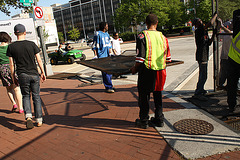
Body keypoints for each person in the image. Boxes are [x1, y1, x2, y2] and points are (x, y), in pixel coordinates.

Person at [131, 14, 171, 129]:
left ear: (146, 23)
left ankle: (144, 120)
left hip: (147, 70)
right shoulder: (163, 37)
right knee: (158, 95)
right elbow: (168, 58)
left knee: (144, 96)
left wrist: (135, 68)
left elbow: (140, 57)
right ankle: (159, 119)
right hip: (161, 71)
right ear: (157, 23)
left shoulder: (142, 36)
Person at [7, 24, 46, 129]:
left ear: (15, 34)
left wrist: (13, 76)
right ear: (25, 32)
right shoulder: (32, 44)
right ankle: (39, 120)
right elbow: (38, 60)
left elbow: (11, 64)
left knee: (25, 96)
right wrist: (43, 72)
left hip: (22, 74)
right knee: (36, 96)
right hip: (34, 74)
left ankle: (28, 116)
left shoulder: (11, 47)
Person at [192, 13, 218, 101]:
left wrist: (214, 34)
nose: (201, 22)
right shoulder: (199, 30)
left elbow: (209, 43)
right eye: (199, 21)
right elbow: (210, 23)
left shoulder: (204, 31)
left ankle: (200, 90)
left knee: (204, 74)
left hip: (204, 54)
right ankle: (198, 92)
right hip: (201, 55)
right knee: (203, 75)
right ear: (196, 24)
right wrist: (215, 15)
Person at [0, 32, 23, 113]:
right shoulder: (10, 47)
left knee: (9, 88)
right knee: (17, 88)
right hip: (12, 67)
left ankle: (14, 103)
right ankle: (21, 108)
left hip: (2, 69)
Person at [92, 22, 115, 93]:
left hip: (108, 55)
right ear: (104, 26)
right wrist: (95, 55)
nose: (108, 27)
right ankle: (108, 86)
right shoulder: (97, 34)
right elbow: (94, 45)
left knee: (110, 71)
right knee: (105, 72)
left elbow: (109, 45)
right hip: (101, 55)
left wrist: (110, 53)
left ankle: (109, 85)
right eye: (107, 25)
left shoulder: (107, 34)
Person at [227, 9, 240, 113]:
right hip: (234, 59)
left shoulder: (237, 29)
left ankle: (232, 106)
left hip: (232, 59)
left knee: (232, 85)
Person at [217, 18, 233, 90]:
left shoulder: (235, 33)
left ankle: (233, 87)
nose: (230, 24)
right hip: (224, 56)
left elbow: (231, 34)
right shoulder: (225, 33)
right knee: (223, 73)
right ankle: (221, 85)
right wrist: (218, 26)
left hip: (232, 57)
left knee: (232, 74)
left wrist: (222, 26)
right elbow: (218, 36)